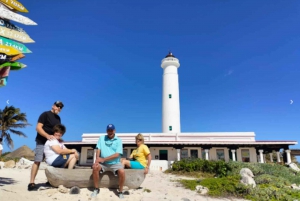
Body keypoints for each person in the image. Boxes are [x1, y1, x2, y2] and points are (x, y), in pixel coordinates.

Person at [28, 101, 64, 191]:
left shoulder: (58, 119)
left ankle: (50, 181)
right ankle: (31, 182)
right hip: (41, 141)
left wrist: (59, 139)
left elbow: (57, 131)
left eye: (61, 107)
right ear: (53, 106)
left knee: (52, 162)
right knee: (37, 161)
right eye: (57, 106)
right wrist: (47, 136)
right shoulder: (45, 114)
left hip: (52, 143)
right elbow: (38, 128)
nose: (59, 108)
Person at [91, 124, 125, 199]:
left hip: (115, 163)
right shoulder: (102, 138)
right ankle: (96, 189)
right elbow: (98, 149)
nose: (110, 132)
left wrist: (103, 159)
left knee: (122, 172)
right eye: (108, 130)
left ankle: (120, 191)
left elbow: (117, 154)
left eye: (111, 130)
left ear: (114, 130)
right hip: (103, 164)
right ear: (106, 131)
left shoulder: (118, 140)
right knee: (95, 168)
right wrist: (97, 160)